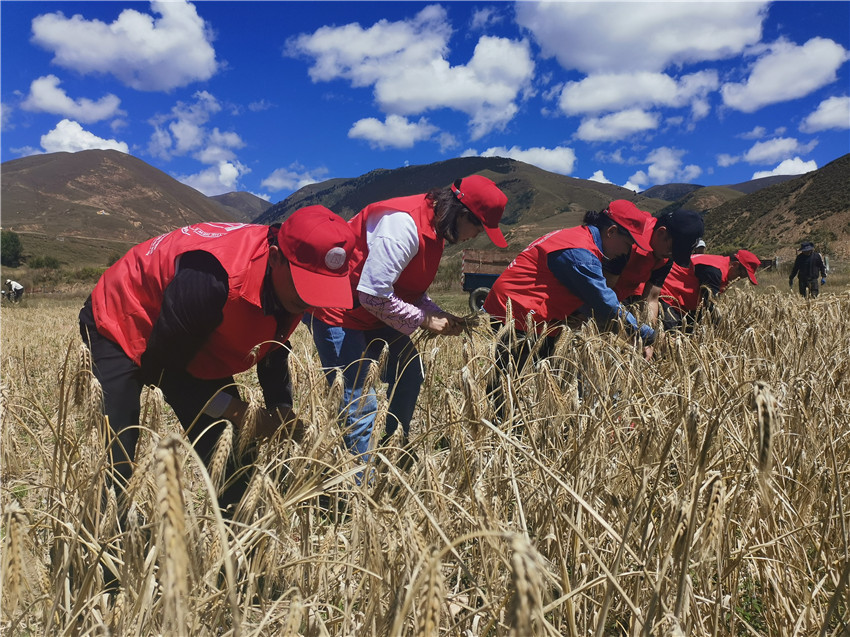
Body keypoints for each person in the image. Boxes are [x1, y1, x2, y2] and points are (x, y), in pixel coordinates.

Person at [79, 206, 356, 515]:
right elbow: (167, 372)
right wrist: (240, 412)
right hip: (122, 315)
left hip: (190, 329)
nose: (310, 301)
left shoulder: (287, 283)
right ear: (275, 257)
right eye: (305, 287)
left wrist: (281, 407)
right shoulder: (212, 280)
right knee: (117, 451)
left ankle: (240, 534)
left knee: (233, 454)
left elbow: (273, 344)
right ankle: (106, 535)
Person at [304, 175, 508, 459]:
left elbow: (410, 292)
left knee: (409, 372)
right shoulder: (402, 225)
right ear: (462, 213)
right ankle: (360, 480)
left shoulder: (437, 232)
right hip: (339, 312)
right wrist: (426, 320)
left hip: (373, 313)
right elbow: (373, 295)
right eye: (478, 227)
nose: (476, 236)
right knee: (360, 406)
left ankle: (394, 448)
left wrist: (437, 313)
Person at [483, 201, 658, 414]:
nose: (627, 252)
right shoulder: (580, 252)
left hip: (529, 312)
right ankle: (500, 424)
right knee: (508, 380)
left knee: (545, 375)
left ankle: (527, 420)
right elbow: (606, 305)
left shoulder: (578, 239)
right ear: (611, 231)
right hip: (519, 310)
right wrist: (646, 335)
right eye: (628, 243)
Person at [605, 209, 705, 327]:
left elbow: (651, 298)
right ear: (661, 232)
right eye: (672, 249)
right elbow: (605, 289)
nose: (672, 255)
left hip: (624, 295)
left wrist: (650, 331)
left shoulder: (665, 257)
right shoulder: (628, 242)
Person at [659, 249, 761, 331]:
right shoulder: (714, 271)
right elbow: (710, 306)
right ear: (734, 265)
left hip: (681, 301)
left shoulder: (720, 266)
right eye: (740, 275)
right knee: (671, 336)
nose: (738, 279)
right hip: (668, 292)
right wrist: (723, 330)